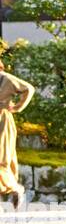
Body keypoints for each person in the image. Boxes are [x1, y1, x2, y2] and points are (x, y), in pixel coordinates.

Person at [0, 60, 35, 210]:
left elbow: (29, 89)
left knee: (1, 159)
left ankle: (15, 188)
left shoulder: (6, 79)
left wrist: (17, 107)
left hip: (2, 121)